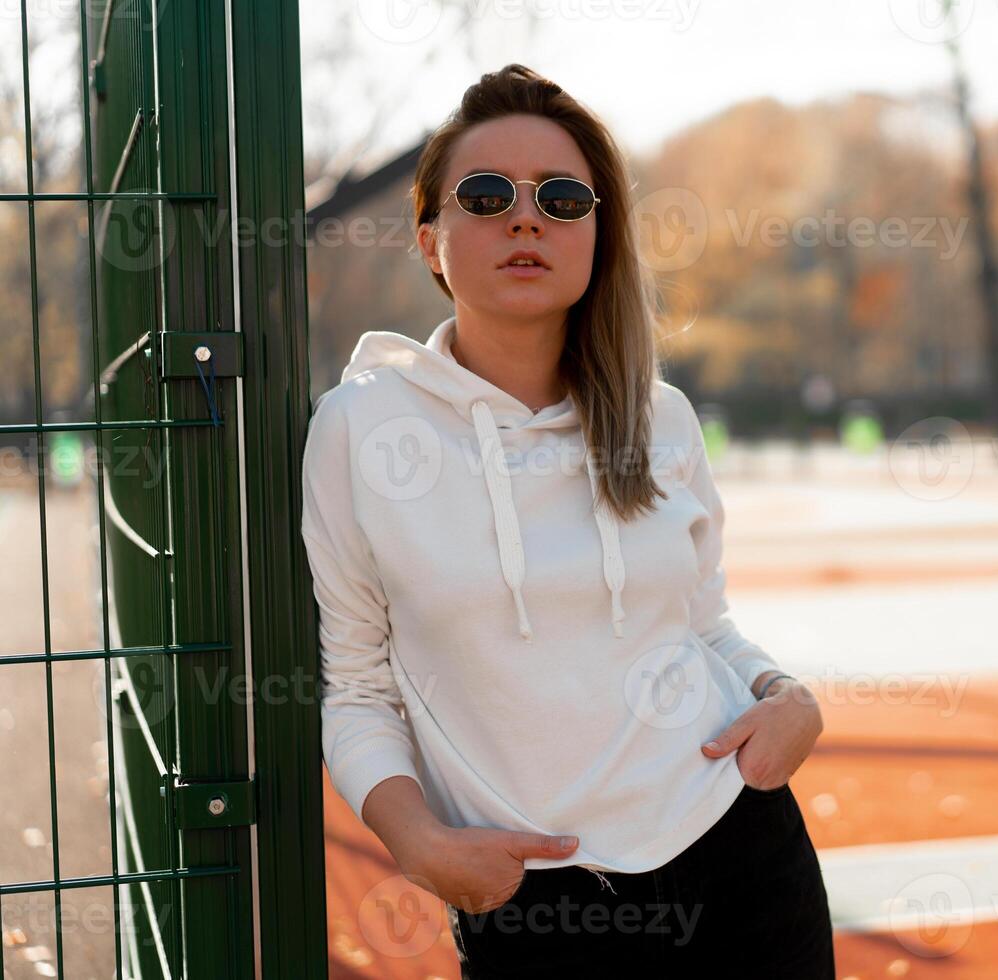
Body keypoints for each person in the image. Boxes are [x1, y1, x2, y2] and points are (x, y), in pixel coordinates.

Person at [300, 63, 835, 978]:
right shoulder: (360, 428)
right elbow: (356, 686)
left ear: (598, 234)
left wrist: (789, 698)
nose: (526, 217)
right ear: (430, 240)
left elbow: (702, 625)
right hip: (535, 903)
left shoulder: (658, 415)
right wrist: (418, 844)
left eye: (561, 197)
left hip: (741, 857)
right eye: (485, 194)